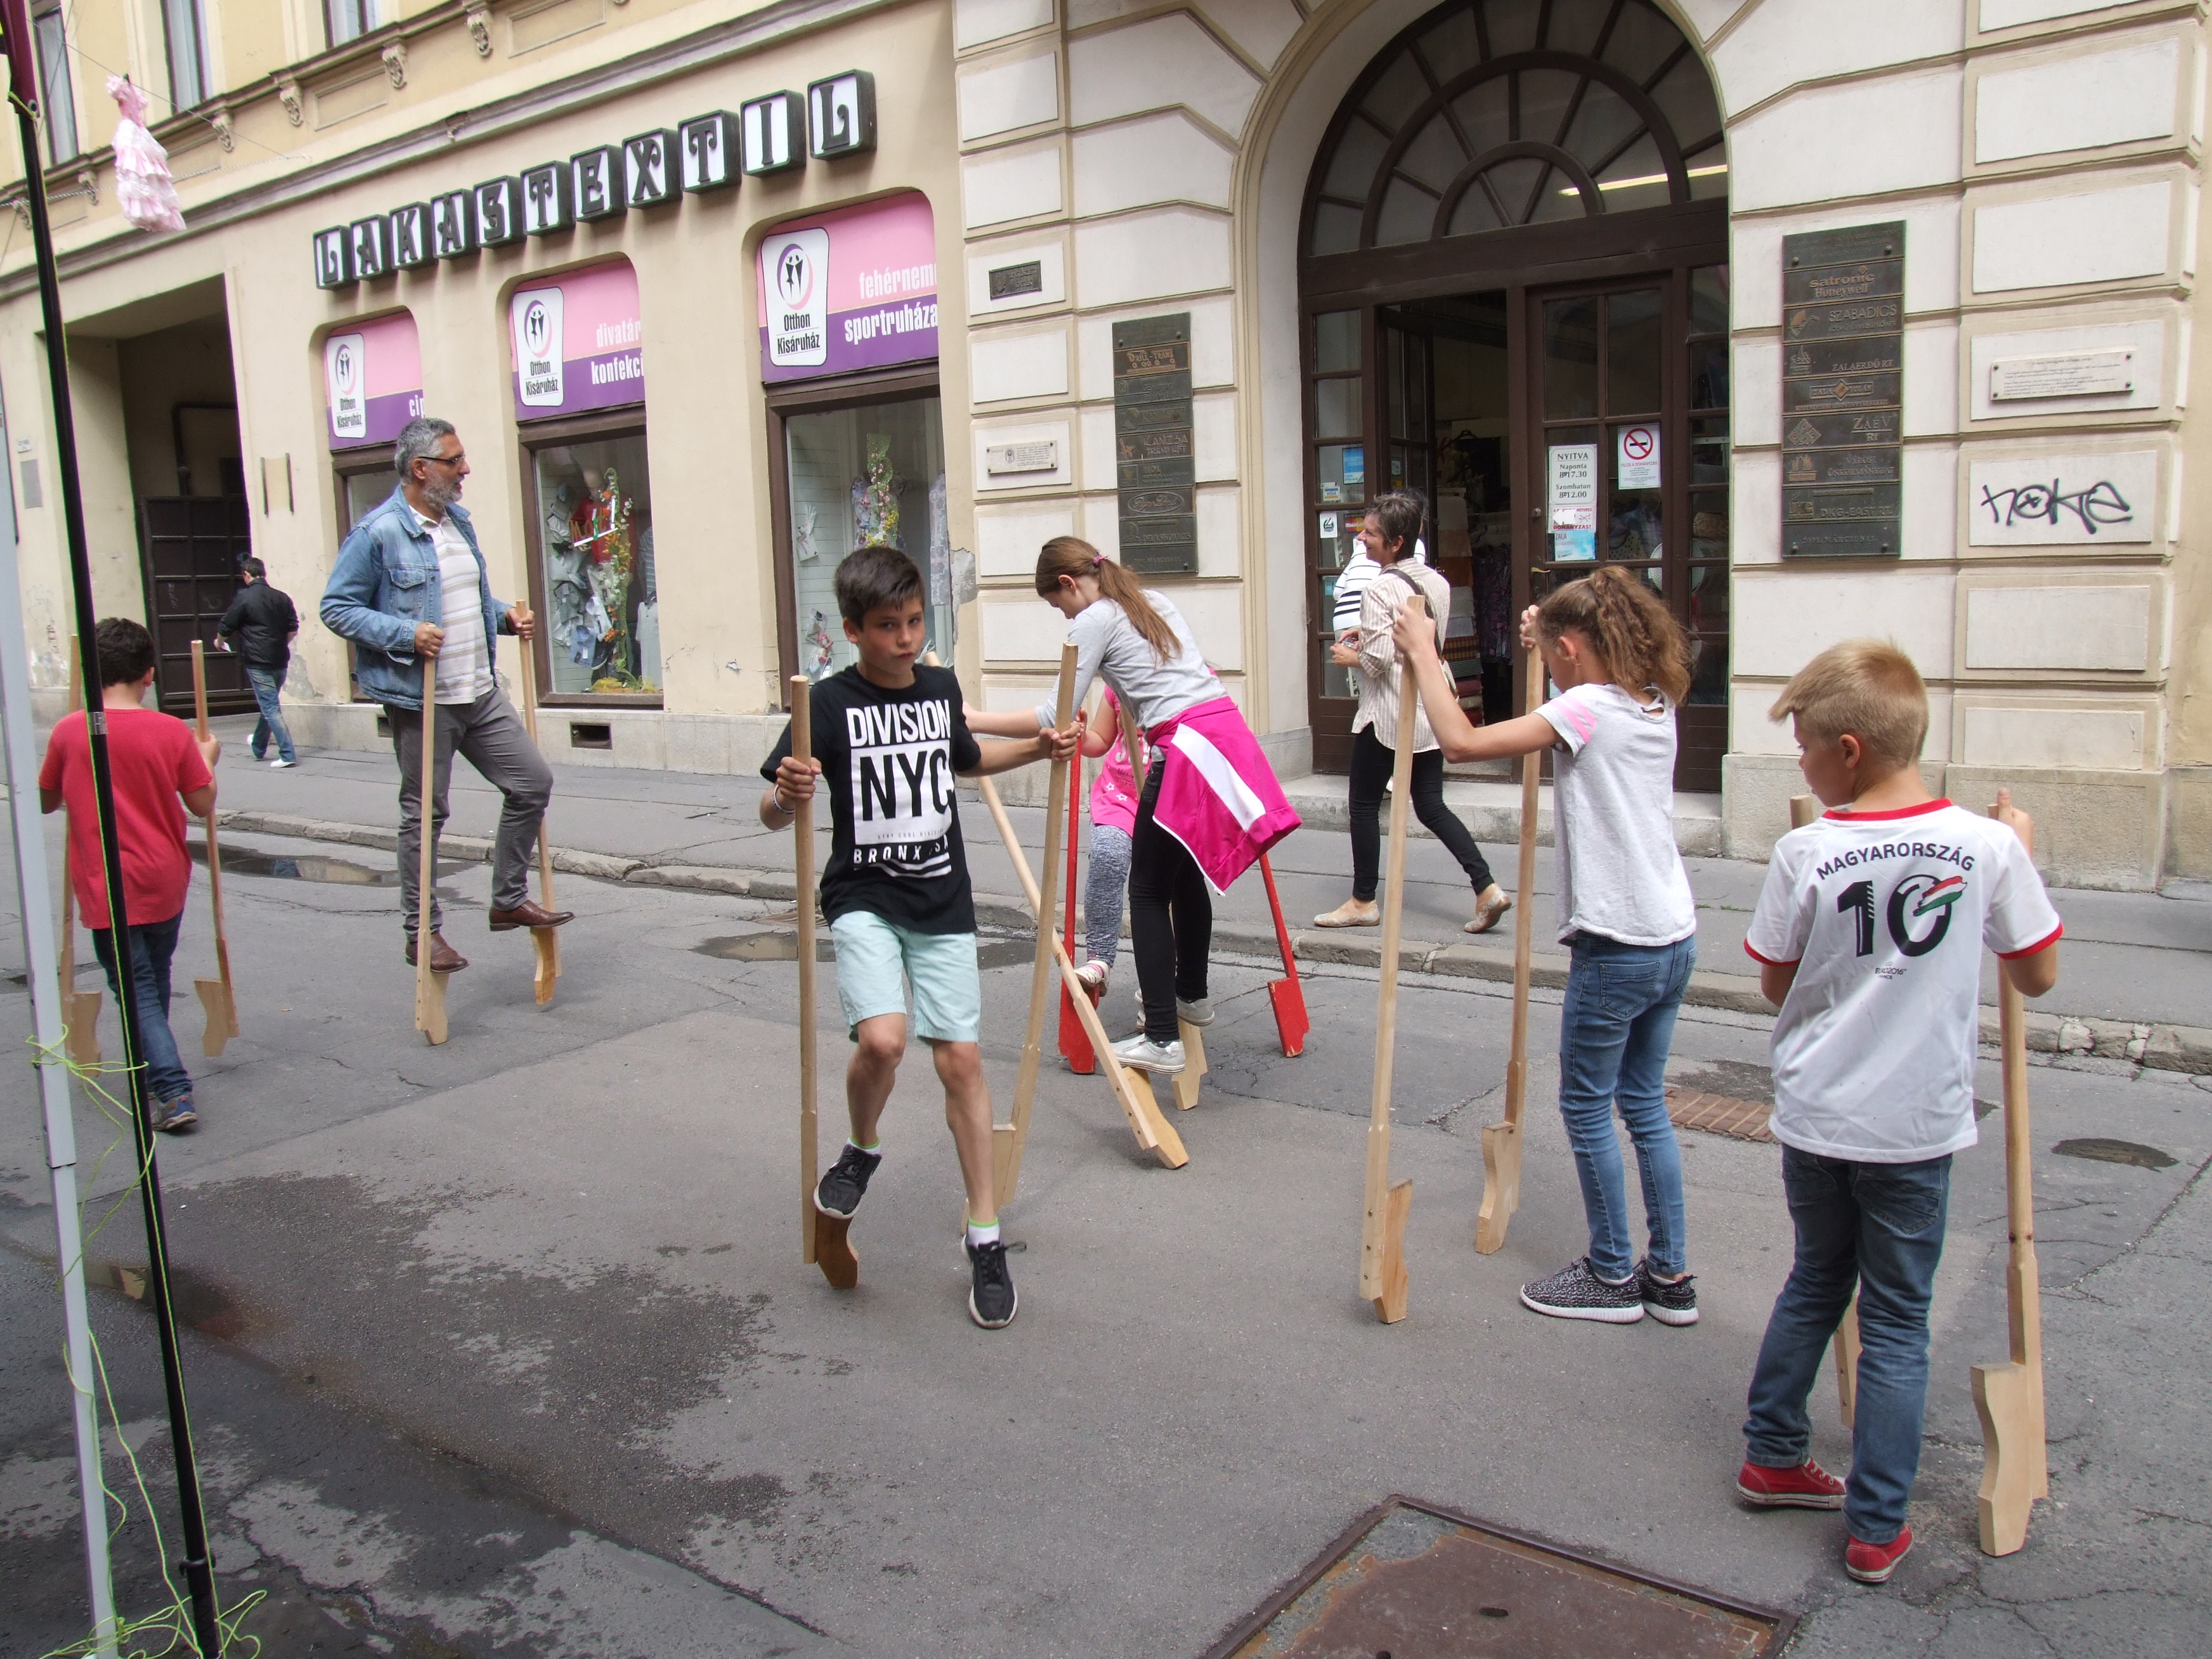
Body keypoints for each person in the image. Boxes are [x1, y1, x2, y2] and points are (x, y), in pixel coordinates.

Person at [1736, 642, 2061, 1585]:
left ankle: (1772, 1450)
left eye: (1803, 746)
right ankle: (1876, 1525)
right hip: (1912, 1126)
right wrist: (2019, 853)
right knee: (1896, 1322)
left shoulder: (1807, 850)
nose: (1799, 762)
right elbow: (2036, 973)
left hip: (1817, 1115)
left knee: (1815, 1280)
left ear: (1847, 751)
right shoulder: (1987, 846)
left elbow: (1774, 984)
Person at [761, 545, 1076, 1330]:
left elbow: (966, 761)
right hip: (863, 896)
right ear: (852, 631)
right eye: (886, 626)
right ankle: (861, 1148)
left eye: (912, 622)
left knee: (960, 1060)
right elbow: (772, 811)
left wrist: (1038, 747)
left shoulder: (939, 688)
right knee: (883, 1041)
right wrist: (785, 794)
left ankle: (984, 1235)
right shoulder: (824, 705)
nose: (905, 639)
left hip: (942, 898)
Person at [1394, 566, 1700, 1325]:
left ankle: (1609, 1273)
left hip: (1616, 942)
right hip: (1671, 934)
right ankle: (1669, 1275)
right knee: (1643, 1104)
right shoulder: (1652, 700)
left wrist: (1425, 653)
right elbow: (1573, 683)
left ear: (1570, 649)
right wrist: (1546, 639)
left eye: (1553, 651)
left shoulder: (1585, 709)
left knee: (1586, 1106)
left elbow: (1461, 743)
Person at [970, 540, 1301, 1076]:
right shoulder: (1150, 602)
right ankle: (1191, 994)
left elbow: (1055, 714)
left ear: (1068, 584)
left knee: (1147, 890)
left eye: (1058, 604)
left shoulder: (1094, 620)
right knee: (1183, 875)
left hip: (1184, 748)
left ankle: (1164, 1037)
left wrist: (973, 720)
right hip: (1222, 735)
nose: (1064, 616)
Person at [321, 416, 572, 974]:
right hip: (423, 699)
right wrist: (404, 634)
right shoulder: (378, 533)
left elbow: (461, 600)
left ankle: (507, 899)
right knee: (425, 816)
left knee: (532, 783)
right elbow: (336, 608)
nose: (465, 470)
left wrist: (503, 616)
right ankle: (423, 933)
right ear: (420, 468)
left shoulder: (459, 523)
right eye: (454, 460)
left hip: (478, 690)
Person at [39, 618, 220, 1133]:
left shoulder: (71, 731)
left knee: (136, 986)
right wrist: (207, 759)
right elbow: (202, 802)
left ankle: (171, 1087)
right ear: (149, 674)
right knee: (150, 977)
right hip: (164, 876)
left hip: (106, 882)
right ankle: (153, 1070)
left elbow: (46, 800)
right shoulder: (170, 730)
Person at [1314, 490, 1510, 935]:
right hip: (1430, 709)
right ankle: (1486, 887)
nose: (1362, 539)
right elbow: (1414, 637)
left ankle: (1363, 901)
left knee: (1363, 806)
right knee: (1431, 805)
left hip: (1388, 714)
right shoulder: (1436, 582)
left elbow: (1379, 661)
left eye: (1370, 533)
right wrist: (1367, 630)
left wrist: (1349, 656)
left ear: (1396, 542)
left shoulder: (1379, 588)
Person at [1073, 687, 1139, 998]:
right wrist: (1081, 735)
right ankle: (1099, 958)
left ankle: (1166, 981)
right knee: (1107, 856)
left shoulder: (1191, 677)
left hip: (1169, 799)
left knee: (1160, 888)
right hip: (1120, 798)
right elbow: (1100, 739)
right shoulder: (1118, 681)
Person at [218, 556, 302, 768]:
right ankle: (258, 745)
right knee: (269, 704)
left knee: (271, 707)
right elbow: (293, 629)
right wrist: (279, 644)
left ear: (246, 575)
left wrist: (219, 642)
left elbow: (227, 624)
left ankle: (288, 754)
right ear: (263, 573)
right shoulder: (282, 598)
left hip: (258, 661)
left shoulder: (245, 598)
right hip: (280, 660)